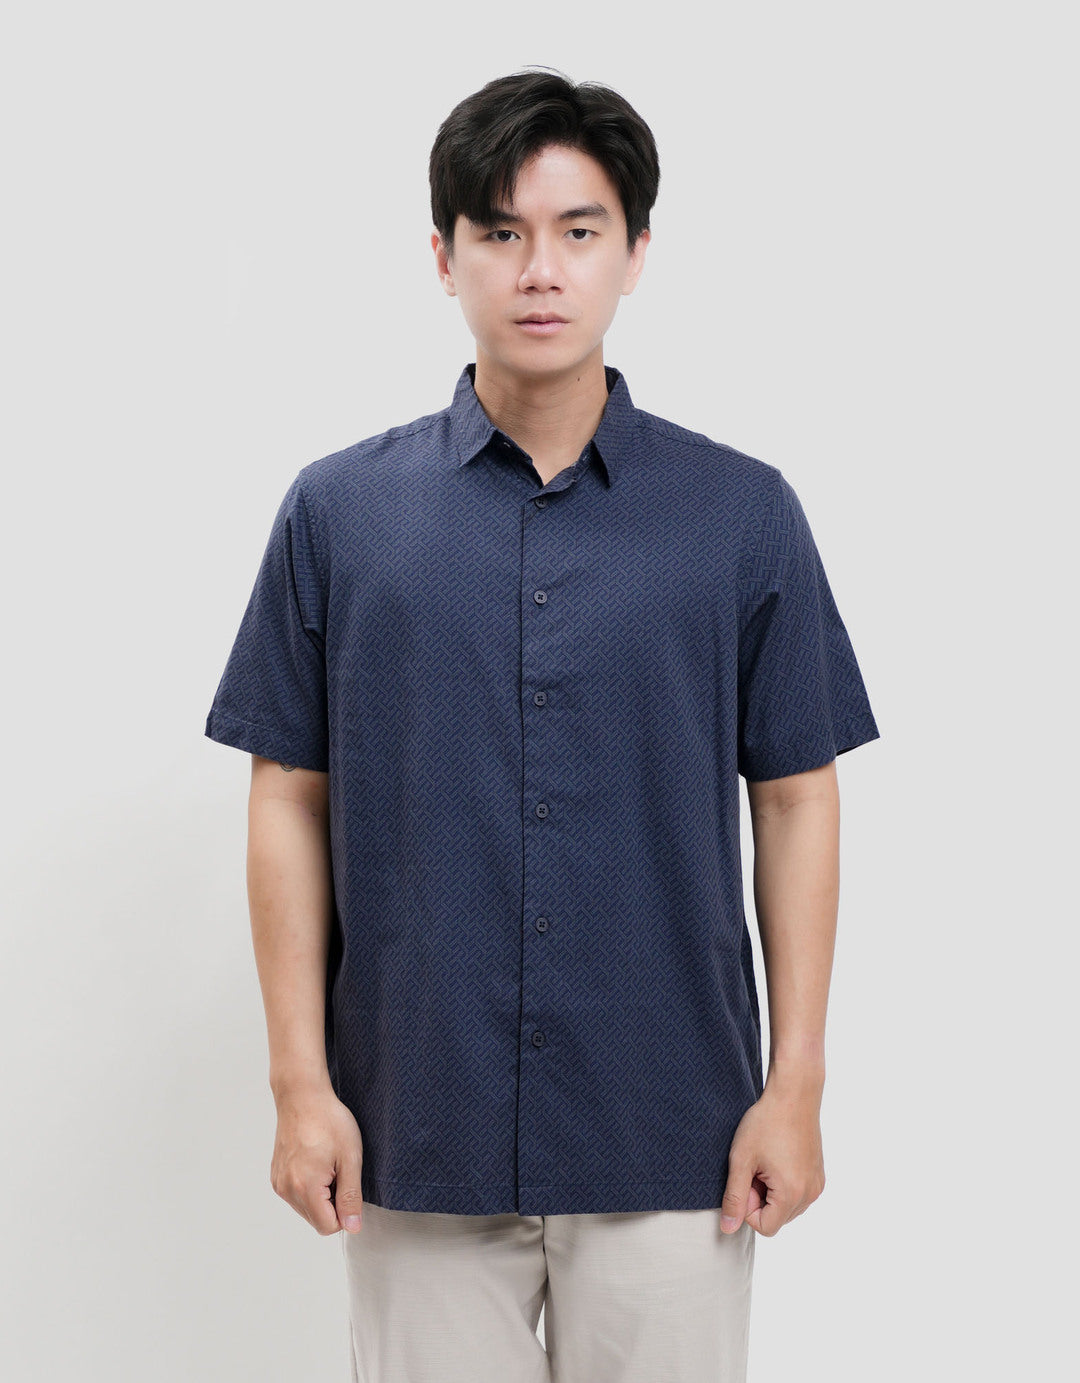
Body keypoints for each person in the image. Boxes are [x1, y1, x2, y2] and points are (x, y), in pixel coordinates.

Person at [204, 66, 880, 1383]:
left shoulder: (741, 515)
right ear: (443, 256)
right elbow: (288, 789)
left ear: (637, 253)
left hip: (673, 1123)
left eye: (579, 230)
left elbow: (797, 793)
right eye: (501, 232)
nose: (540, 270)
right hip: (415, 1122)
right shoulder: (340, 514)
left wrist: (795, 1083)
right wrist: (301, 1085)